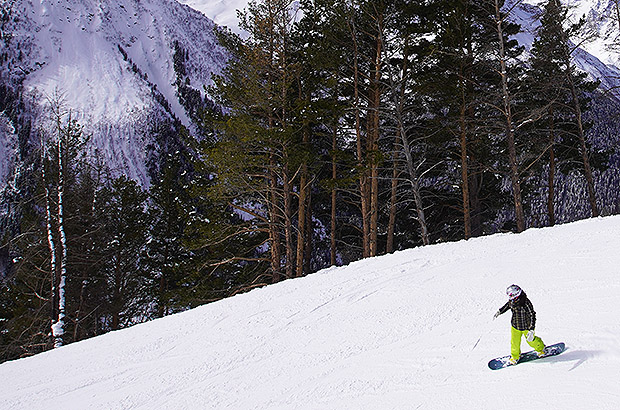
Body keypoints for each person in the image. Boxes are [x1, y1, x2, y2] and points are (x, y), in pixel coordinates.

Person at [493, 284, 546, 365]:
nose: (510, 298)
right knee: (514, 342)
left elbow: (532, 315)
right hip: (515, 326)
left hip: (526, 327)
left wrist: (531, 329)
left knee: (531, 341)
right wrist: (500, 311)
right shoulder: (512, 301)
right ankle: (515, 357)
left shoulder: (525, 302)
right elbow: (507, 305)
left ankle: (541, 349)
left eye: (511, 295)